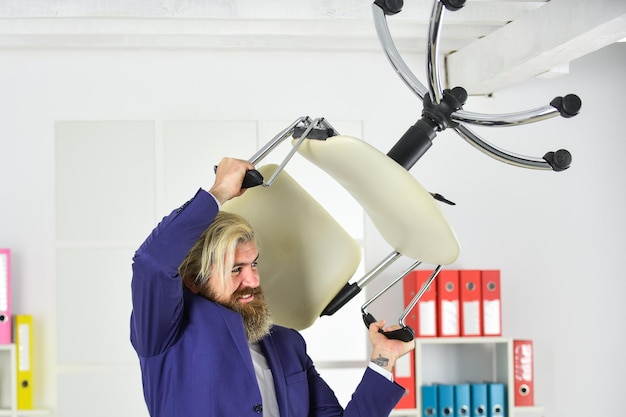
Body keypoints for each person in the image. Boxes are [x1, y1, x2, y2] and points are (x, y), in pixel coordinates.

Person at [130, 157, 415, 417]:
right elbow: (151, 263)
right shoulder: (166, 331)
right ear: (194, 280)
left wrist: (383, 357)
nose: (253, 281)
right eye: (235, 270)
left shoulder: (288, 344)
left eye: (254, 264)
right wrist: (218, 194)